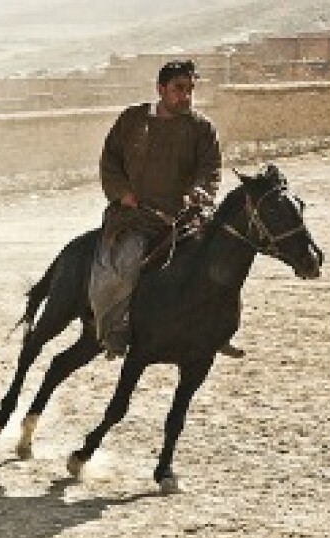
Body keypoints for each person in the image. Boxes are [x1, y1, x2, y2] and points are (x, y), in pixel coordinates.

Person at [91, 59, 241, 359]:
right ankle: (115, 329)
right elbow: (110, 161)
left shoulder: (201, 129)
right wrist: (122, 193)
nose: (185, 96)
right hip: (136, 217)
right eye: (179, 89)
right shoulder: (132, 121)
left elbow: (209, 169)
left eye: (190, 90)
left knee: (223, 259)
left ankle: (219, 330)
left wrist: (201, 192)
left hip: (185, 217)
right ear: (161, 89)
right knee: (126, 265)